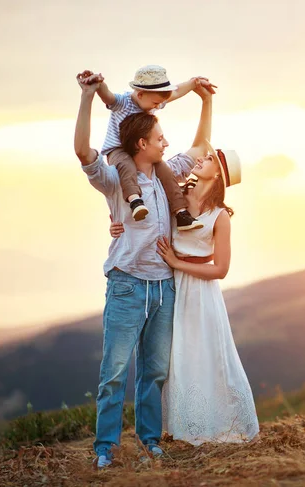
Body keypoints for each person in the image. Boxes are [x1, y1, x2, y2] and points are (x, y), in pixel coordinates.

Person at [74, 70, 214, 468]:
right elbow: (84, 153)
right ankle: (105, 449)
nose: (166, 143)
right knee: (114, 374)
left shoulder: (169, 175)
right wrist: (86, 98)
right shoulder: (116, 179)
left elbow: (202, 143)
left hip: (163, 288)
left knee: (153, 373)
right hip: (127, 285)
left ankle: (151, 442)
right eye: (159, 139)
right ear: (141, 144)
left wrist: (205, 100)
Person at [110, 123, 259, 446]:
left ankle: (214, 425)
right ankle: (184, 426)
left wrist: (178, 263)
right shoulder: (175, 194)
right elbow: (144, 211)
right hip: (171, 287)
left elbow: (221, 269)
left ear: (217, 175)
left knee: (205, 353)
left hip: (201, 293)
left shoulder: (220, 216)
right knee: (176, 357)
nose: (199, 161)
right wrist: (117, 222)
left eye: (208, 161)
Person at [77, 65, 215, 229]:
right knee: (126, 166)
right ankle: (135, 200)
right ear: (140, 94)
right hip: (118, 150)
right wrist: (97, 85)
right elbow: (107, 96)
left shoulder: (153, 101)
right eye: (160, 139)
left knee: (166, 172)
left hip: (158, 254)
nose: (158, 107)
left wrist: (194, 84)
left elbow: (175, 92)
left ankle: (181, 212)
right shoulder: (123, 103)